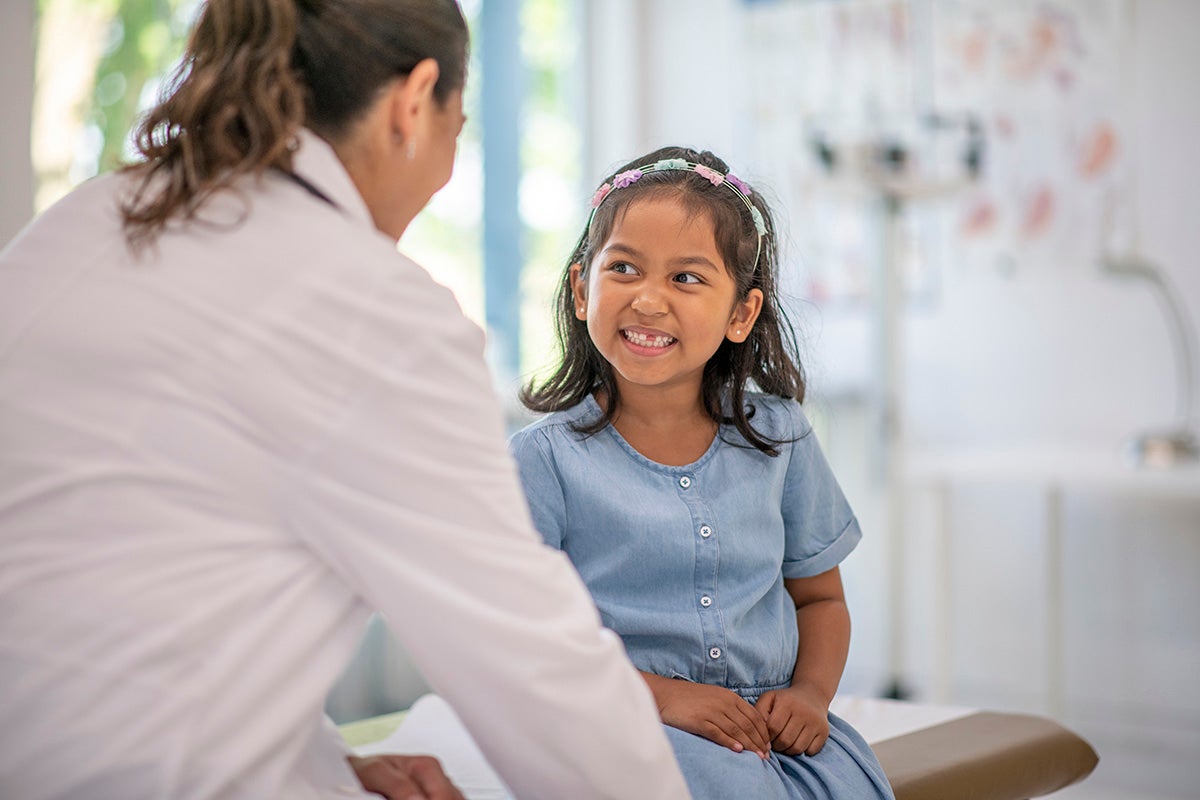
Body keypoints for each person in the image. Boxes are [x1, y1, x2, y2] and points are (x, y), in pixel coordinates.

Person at [0, 2, 692, 799]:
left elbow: (125, 583)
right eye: (455, 131)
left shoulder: (85, 221)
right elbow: (545, 681)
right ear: (413, 102)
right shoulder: (367, 312)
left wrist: (314, 764)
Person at [508, 145, 896, 800]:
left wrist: (809, 695)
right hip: (625, 725)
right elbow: (524, 640)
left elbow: (821, 599)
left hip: (776, 730)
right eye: (624, 268)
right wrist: (661, 697)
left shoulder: (781, 436)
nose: (650, 300)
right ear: (582, 289)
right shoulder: (543, 461)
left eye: (687, 279)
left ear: (741, 313)